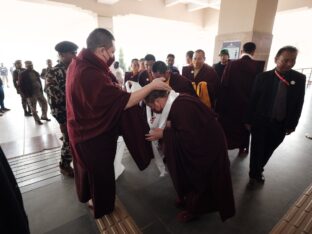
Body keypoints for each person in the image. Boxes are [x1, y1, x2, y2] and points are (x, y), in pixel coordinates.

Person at [66, 28, 171, 219]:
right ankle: (102, 206)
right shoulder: (88, 72)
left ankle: (92, 198)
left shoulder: (78, 63)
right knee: (101, 172)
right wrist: (152, 86)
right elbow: (122, 101)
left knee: (88, 169)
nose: (113, 56)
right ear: (101, 50)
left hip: (79, 128)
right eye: (112, 52)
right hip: (92, 135)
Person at [145, 90, 235, 222]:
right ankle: (189, 200)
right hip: (205, 141)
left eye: (152, 107)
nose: (155, 110)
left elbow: (189, 136)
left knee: (198, 176)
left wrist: (164, 134)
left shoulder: (181, 107)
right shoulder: (177, 100)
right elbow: (185, 127)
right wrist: (168, 128)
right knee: (191, 174)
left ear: (157, 102)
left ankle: (196, 209)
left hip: (207, 147)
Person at [245, 46, 305, 185]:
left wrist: (293, 124)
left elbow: (299, 103)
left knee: (269, 148)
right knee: (257, 149)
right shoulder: (262, 77)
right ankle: (255, 173)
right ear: (276, 59)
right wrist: (248, 120)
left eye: (293, 60)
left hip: (281, 123)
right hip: (260, 121)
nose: (289, 64)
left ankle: (258, 167)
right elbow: (253, 100)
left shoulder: (299, 79)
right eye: (285, 60)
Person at [216, 42, 265, 156]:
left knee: (230, 125)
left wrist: (220, 105)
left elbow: (224, 84)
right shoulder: (258, 66)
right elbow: (259, 89)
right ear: (253, 52)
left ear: (242, 51)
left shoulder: (232, 64)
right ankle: (242, 148)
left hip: (231, 103)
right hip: (248, 104)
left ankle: (227, 145)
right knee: (244, 126)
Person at [45, 41, 78, 177]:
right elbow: (54, 100)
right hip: (65, 114)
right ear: (62, 54)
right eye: (72, 53)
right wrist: (62, 121)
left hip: (78, 113)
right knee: (68, 141)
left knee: (76, 139)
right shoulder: (53, 73)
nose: (75, 56)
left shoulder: (75, 68)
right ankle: (64, 165)